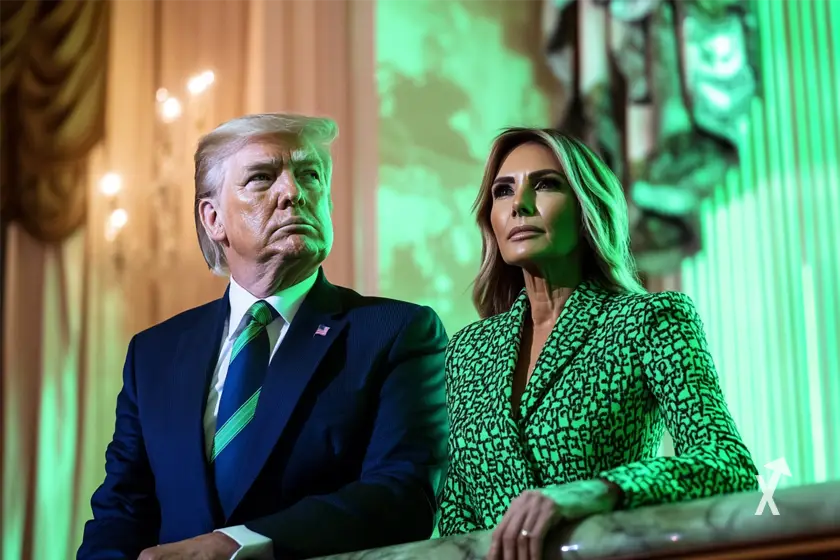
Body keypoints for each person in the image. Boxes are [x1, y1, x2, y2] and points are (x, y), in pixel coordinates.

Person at [78, 113, 449, 560]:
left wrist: (236, 544)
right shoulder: (154, 353)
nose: (293, 192)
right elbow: (122, 510)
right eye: (262, 178)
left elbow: (404, 495)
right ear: (213, 218)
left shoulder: (395, 332)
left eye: (310, 175)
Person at [437, 127, 757, 560]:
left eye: (546, 185)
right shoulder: (467, 352)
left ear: (587, 207)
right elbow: (458, 518)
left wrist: (596, 492)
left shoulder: (649, 320)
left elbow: (728, 464)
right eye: (503, 190)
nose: (519, 205)